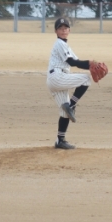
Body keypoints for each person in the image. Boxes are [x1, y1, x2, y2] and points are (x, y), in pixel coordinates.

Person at [47, 17, 93, 150]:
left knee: (64, 112)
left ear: (69, 30)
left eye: (65, 28)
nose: (63, 30)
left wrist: (90, 65)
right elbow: (72, 62)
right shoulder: (59, 43)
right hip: (57, 76)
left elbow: (77, 62)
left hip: (54, 80)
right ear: (56, 31)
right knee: (86, 79)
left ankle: (60, 140)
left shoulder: (65, 46)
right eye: (60, 28)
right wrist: (90, 64)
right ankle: (71, 105)